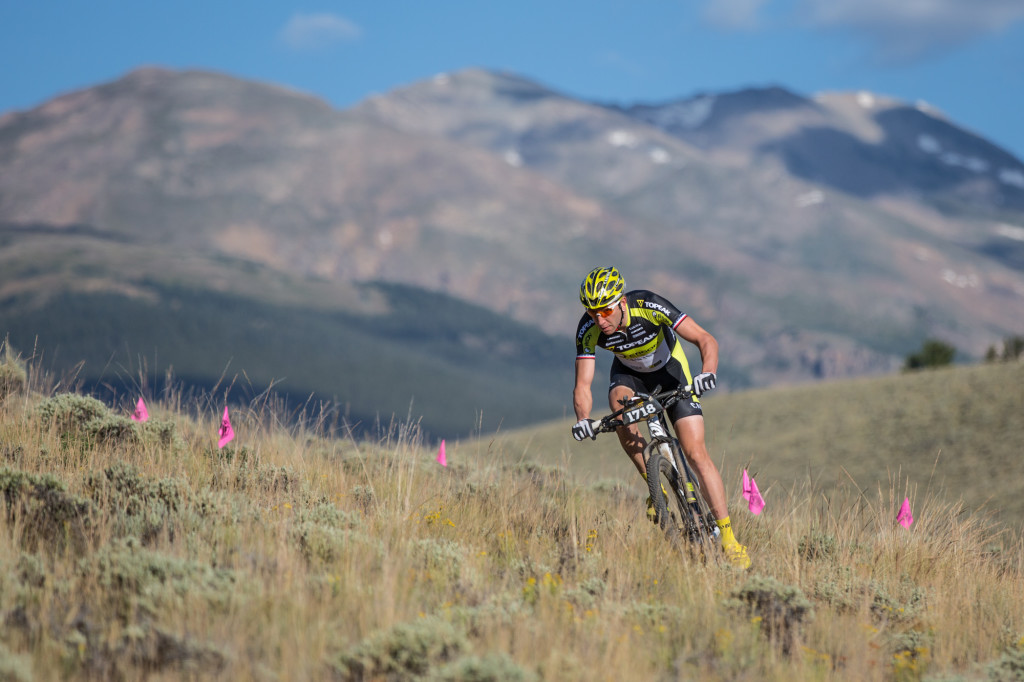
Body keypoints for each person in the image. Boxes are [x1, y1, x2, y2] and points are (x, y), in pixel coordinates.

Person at [571, 266, 750, 569]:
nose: (599, 320)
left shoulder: (649, 305)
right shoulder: (588, 329)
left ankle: (730, 540)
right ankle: (657, 490)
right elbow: (583, 383)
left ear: (622, 303)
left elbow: (705, 339)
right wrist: (583, 419)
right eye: (592, 313)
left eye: (605, 311)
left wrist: (707, 372)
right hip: (629, 376)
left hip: (672, 373)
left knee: (695, 452)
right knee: (618, 409)